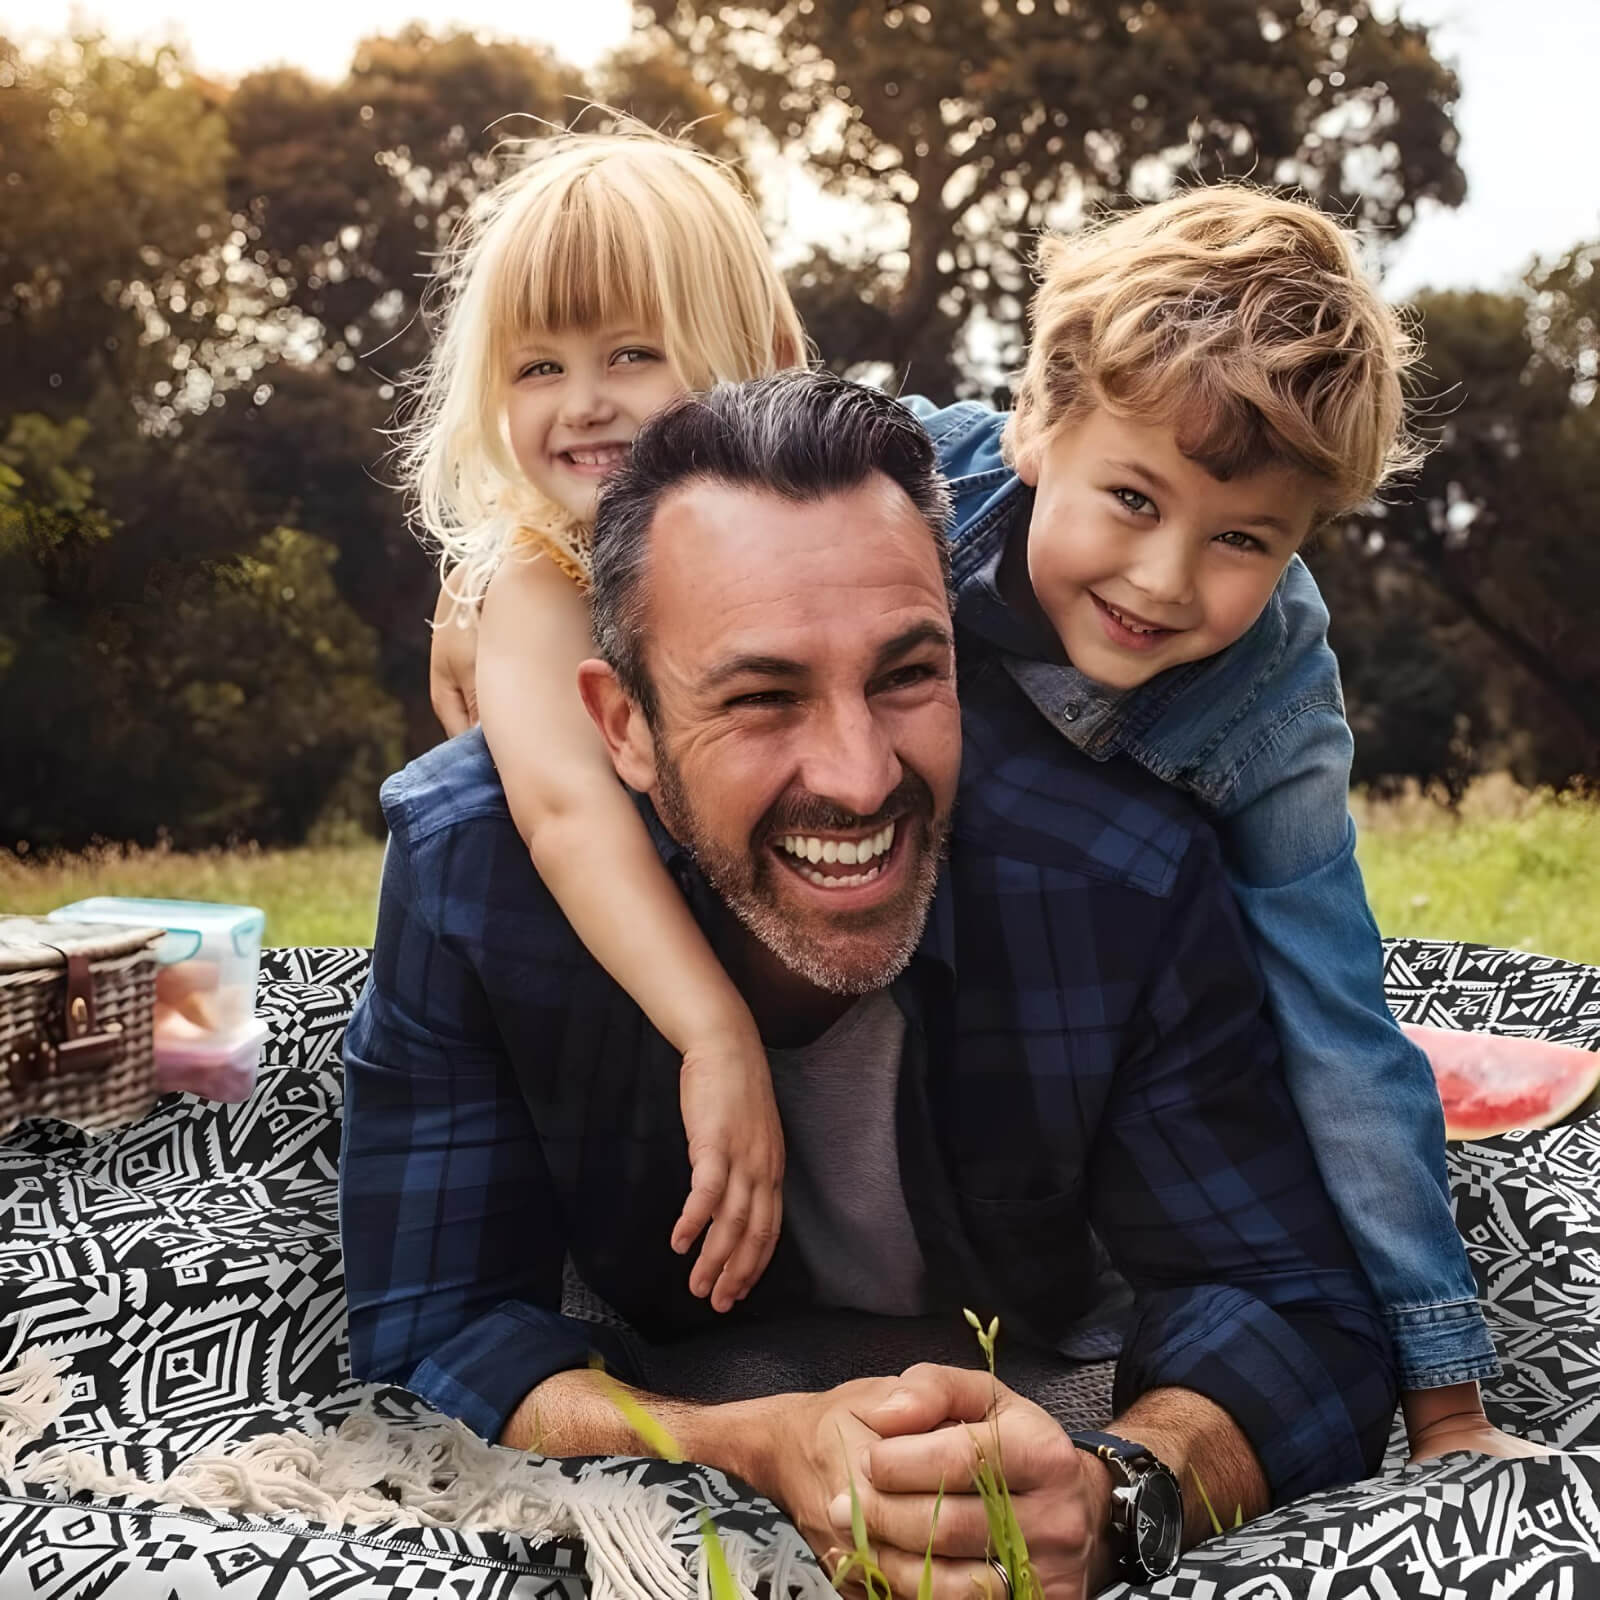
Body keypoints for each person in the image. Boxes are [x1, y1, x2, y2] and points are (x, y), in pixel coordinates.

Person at [427, 183, 1535, 1462]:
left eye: (1242, 540)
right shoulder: (904, 480)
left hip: (1081, 1020)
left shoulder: (1271, 699)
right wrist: (499, 576)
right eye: (1129, 500)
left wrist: (1444, 1399)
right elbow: (720, 468)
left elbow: (1339, 1028)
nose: (1162, 579)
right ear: (1032, 429)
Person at [344, 371, 1398, 1597]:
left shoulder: (1116, 872)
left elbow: (1301, 1314)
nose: (855, 777)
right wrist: (746, 1443)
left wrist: (1123, 1490)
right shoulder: (469, 867)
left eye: (906, 676)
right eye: (761, 697)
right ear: (620, 725)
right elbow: (432, 1330)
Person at [400, 125, 807, 1314]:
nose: (582, 404)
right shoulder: (536, 572)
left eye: (631, 352)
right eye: (536, 368)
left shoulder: (815, 513)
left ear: (764, 357)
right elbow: (567, 814)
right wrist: (714, 1033)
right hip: (628, 1006)